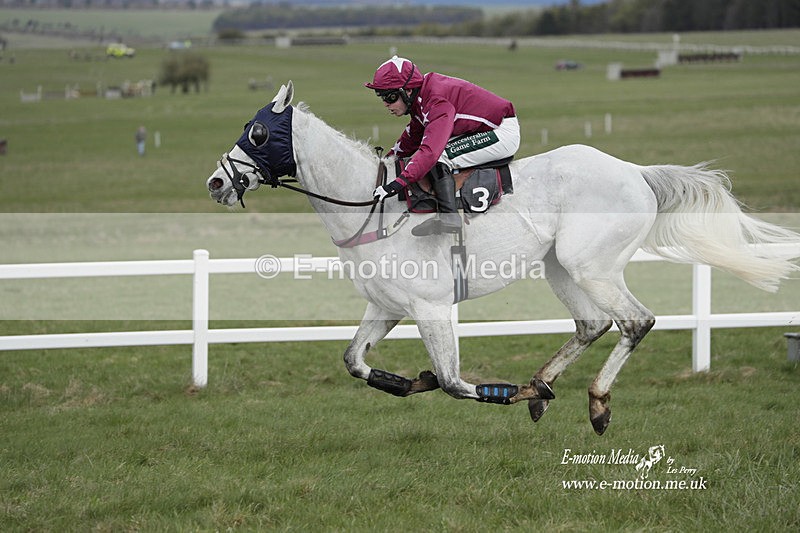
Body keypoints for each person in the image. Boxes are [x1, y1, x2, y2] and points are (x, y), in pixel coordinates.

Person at [367, 56, 520, 236]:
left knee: (440, 156)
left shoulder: (436, 100)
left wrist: (398, 184)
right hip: (483, 129)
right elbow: (410, 139)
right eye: (382, 97)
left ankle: (449, 218)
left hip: (502, 131)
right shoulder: (420, 99)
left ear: (407, 91)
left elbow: (430, 151)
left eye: (390, 97)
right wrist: (387, 160)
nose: (386, 103)